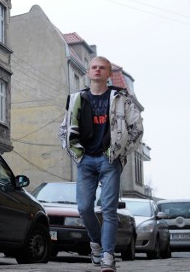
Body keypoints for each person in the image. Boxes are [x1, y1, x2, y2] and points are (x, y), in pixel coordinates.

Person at [58, 56, 144, 272]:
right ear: (88, 72)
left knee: (109, 209)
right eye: (94, 67)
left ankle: (107, 257)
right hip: (85, 159)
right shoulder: (77, 98)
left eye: (102, 68)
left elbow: (136, 129)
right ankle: (96, 244)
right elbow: (64, 129)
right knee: (85, 208)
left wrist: (120, 152)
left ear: (108, 74)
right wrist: (74, 151)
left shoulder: (121, 98)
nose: (97, 70)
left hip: (109, 159)